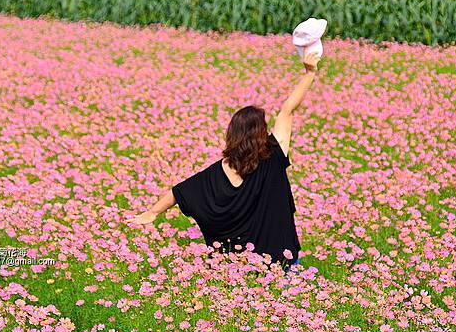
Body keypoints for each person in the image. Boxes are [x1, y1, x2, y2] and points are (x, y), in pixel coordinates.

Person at [126, 51, 322, 273]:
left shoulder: (218, 172)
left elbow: (180, 192)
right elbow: (288, 109)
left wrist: (152, 212)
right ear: (261, 133)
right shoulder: (273, 156)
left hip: (236, 272)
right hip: (280, 263)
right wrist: (309, 73)